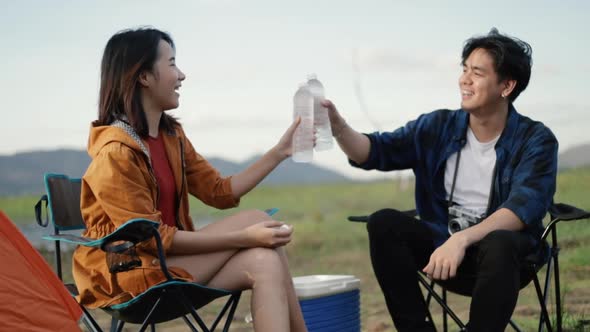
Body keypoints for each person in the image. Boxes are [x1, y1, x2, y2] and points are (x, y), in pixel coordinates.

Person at [72, 27, 307, 332]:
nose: (181, 75)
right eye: (171, 64)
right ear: (143, 76)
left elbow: (219, 192)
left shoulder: (171, 137)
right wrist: (245, 237)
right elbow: (152, 239)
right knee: (258, 223)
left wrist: (280, 151)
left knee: (265, 262)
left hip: (169, 264)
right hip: (132, 277)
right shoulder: (115, 154)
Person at [323, 28, 558, 331]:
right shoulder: (437, 127)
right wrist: (338, 126)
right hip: (442, 253)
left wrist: (462, 239)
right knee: (384, 223)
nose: (465, 80)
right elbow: (375, 151)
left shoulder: (535, 140)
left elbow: (524, 206)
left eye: (477, 72)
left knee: (500, 241)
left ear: (507, 85)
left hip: (506, 261)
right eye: (464, 70)